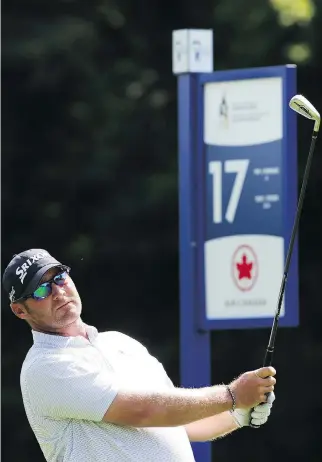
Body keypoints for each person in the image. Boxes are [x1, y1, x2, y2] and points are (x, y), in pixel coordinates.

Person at [3, 249, 276, 462]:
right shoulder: (44, 367)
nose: (58, 292)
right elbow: (144, 411)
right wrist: (231, 396)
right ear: (20, 311)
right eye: (41, 289)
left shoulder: (121, 344)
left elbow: (180, 423)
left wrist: (238, 413)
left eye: (60, 277)